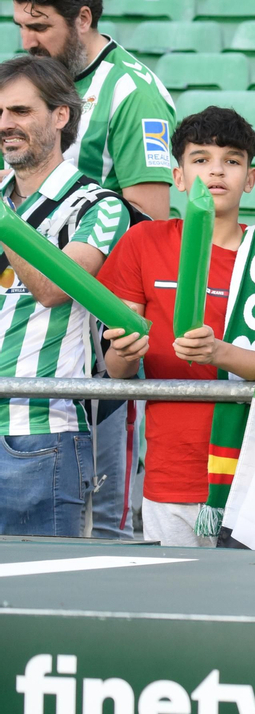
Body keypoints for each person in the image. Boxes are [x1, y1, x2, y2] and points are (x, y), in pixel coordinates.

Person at [98, 107, 255, 547]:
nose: (216, 170)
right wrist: (125, 349)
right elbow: (115, 368)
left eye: (232, 160)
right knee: (172, 605)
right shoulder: (142, 242)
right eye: (200, 159)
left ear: (249, 179)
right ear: (178, 176)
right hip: (169, 469)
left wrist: (219, 352)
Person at [0, 57, 131, 539]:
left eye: (19, 110)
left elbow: (55, 289)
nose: (4, 124)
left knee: (39, 596)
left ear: (60, 116)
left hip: (38, 431)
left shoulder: (96, 205)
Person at [6, 0, 177, 221]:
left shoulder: (134, 94)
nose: (27, 43)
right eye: (21, 27)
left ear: (83, 19)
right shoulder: (32, 76)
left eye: (39, 27)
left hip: (77, 261)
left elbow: (150, 221)